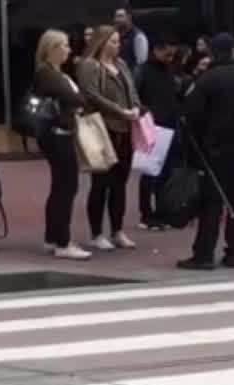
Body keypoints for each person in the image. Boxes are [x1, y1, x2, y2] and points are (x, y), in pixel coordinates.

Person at [179, 33, 234, 270]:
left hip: (214, 150)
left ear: (213, 54)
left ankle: (204, 254)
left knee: (212, 202)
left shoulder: (207, 81)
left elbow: (191, 115)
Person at [78, 24, 142, 251]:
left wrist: (135, 107)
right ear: (101, 42)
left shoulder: (122, 64)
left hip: (124, 130)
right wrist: (118, 110)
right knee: (100, 183)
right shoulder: (89, 66)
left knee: (120, 183)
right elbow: (90, 95)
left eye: (118, 41)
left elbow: (132, 90)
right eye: (113, 41)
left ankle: (117, 230)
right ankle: (96, 233)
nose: (117, 45)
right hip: (102, 128)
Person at [33, 29, 92, 260]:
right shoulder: (48, 73)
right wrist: (77, 101)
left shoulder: (54, 72)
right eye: (65, 45)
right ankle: (62, 242)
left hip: (60, 133)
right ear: (52, 49)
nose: (68, 50)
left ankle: (52, 237)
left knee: (60, 187)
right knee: (67, 187)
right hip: (58, 135)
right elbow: (75, 99)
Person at [135, 35, 184, 230]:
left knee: (166, 172)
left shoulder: (169, 70)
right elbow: (135, 96)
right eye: (167, 53)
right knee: (149, 172)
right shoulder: (143, 71)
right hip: (151, 127)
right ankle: (146, 213)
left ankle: (163, 210)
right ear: (156, 49)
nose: (170, 57)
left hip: (170, 125)